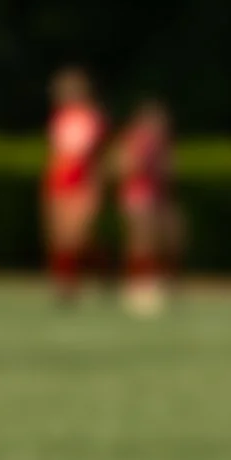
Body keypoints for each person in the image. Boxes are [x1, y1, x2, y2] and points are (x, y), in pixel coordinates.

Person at [42, 67, 108, 299]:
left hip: (82, 184)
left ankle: (104, 275)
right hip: (59, 183)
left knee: (79, 237)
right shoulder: (58, 119)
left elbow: (98, 159)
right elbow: (56, 155)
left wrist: (95, 189)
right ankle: (65, 288)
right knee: (59, 237)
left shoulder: (92, 119)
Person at [113, 100, 180, 315]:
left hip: (157, 195)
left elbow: (169, 170)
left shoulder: (160, 142)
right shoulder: (135, 139)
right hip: (138, 193)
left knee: (160, 238)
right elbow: (121, 165)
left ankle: (153, 282)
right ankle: (138, 285)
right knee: (141, 238)